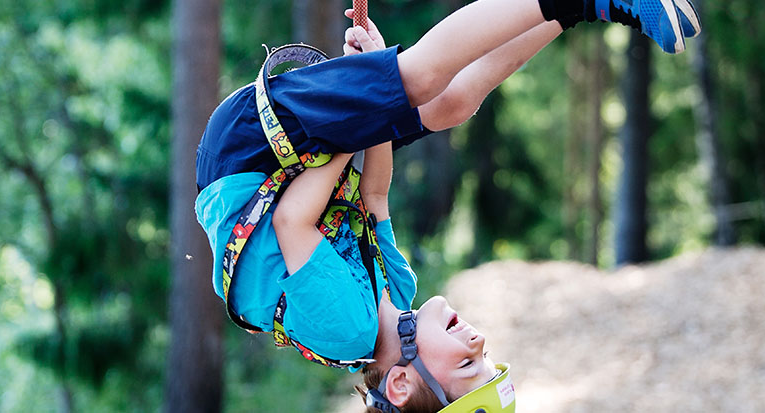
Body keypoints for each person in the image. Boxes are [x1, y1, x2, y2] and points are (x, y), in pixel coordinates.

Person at [194, 0, 700, 411]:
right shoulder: (399, 288)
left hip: (245, 158)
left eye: (465, 365)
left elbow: (291, 220)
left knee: (420, 80)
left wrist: (369, 104)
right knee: (452, 103)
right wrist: (369, 89)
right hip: (294, 175)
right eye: (486, 358)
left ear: (399, 385)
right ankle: (571, 12)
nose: (479, 345)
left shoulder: (347, 331)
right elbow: (372, 195)